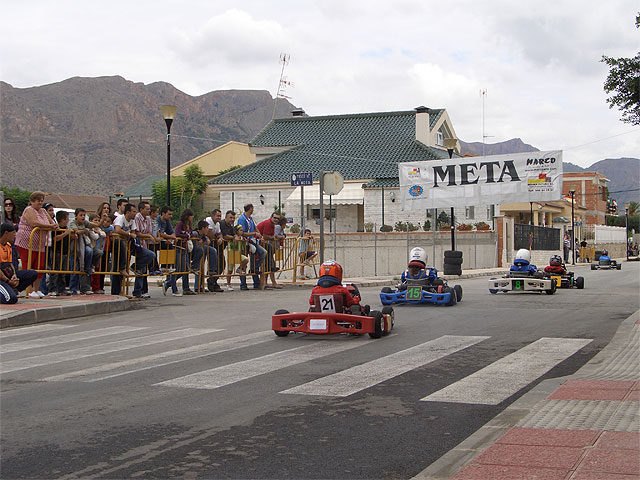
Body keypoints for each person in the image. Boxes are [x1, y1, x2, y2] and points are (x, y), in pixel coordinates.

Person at [14, 191, 57, 297]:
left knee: (40, 266)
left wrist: (51, 226)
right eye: (38, 201)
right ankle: (29, 289)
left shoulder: (43, 211)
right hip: (26, 243)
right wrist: (48, 227)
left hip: (40, 244)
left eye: (42, 200)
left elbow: (51, 222)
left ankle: (37, 289)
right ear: (32, 201)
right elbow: (33, 223)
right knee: (28, 265)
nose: (40, 203)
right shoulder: (29, 210)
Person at [0, 223, 38, 304]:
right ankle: (7, 291)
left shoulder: (8, 246)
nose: (15, 235)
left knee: (32, 274)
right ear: (6, 233)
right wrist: (7, 281)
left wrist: (14, 276)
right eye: (13, 233)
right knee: (10, 299)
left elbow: (10, 264)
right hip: (2, 278)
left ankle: (12, 289)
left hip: (7, 275)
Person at [237, 203, 267, 289]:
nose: (253, 210)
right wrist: (254, 233)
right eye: (252, 208)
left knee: (262, 253)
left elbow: (255, 228)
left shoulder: (250, 219)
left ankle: (255, 274)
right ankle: (243, 284)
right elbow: (242, 232)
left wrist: (259, 235)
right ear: (250, 209)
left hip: (252, 241)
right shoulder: (242, 219)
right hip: (244, 242)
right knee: (244, 262)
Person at [68, 208, 94, 295]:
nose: (83, 217)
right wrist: (84, 231)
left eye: (84, 215)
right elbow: (77, 231)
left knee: (90, 252)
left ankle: (88, 268)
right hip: (74, 249)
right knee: (74, 269)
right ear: (76, 216)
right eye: (81, 215)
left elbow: (93, 225)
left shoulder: (85, 223)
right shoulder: (72, 223)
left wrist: (102, 220)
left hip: (83, 248)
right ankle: (73, 288)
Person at [174, 208, 200, 295]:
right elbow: (177, 234)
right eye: (191, 216)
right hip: (179, 248)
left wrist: (189, 235)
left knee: (185, 269)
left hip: (186, 249)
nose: (192, 218)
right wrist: (185, 236)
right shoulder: (180, 224)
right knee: (180, 269)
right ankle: (170, 283)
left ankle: (186, 288)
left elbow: (191, 234)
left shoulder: (189, 225)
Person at [48, 211, 74, 296]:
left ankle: (61, 289)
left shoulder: (66, 228)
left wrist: (72, 236)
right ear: (62, 220)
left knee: (62, 272)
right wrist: (65, 234)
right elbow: (56, 238)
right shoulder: (57, 228)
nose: (68, 221)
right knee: (55, 271)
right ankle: (52, 289)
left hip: (65, 252)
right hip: (57, 251)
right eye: (67, 219)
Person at [157, 206, 182, 297]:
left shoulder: (167, 222)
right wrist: (170, 237)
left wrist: (170, 237)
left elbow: (172, 232)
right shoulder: (158, 220)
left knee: (176, 269)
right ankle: (162, 266)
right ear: (163, 213)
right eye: (169, 214)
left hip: (166, 243)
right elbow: (159, 233)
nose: (171, 216)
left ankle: (170, 284)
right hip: (156, 242)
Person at [257, 212, 282, 289]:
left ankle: (266, 282)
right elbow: (266, 236)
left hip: (264, 244)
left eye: (277, 219)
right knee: (268, 263)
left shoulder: (272, 225)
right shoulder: (268, 223)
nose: (276, 220)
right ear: (271, 217)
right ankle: (270, 282)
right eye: (275, 218)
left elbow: (270, 236)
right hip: (259, 243)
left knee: (268, 263)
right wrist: (274, 238)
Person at [204, 209, 224, 292]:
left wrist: (220, 238)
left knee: (221, 264)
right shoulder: (208, 220)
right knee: (210, 265)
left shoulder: (218, 224)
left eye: (220, 216)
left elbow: (219, 234)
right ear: (213, 216)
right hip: (205, 244)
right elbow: (210, 234)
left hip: (214, 246)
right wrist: (216, 238)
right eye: (217, 216)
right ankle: (205, 284)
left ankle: (213, 281)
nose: (219, 217)